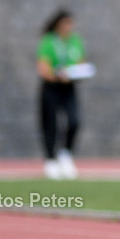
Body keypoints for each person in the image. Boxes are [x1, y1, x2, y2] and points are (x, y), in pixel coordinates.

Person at [37, 9, 89, 180]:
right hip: (52, 87)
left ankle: (66, 153)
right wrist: (58, 75)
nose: (69, 27)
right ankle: (50, 159)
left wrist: (77, 72)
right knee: (50, 123)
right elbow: (43, 68)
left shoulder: (75, 41)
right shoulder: (49, 41)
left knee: (74, 120)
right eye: (66, 23)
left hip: (69, 87)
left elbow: (81, 62)